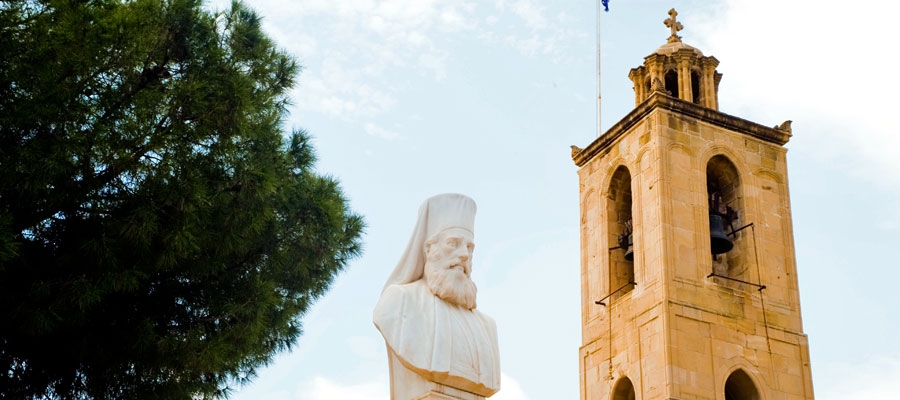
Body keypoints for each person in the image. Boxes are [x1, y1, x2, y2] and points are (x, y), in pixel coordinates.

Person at [373, 194, 500, 399]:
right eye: (453, 243)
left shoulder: (488, 326)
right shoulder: (400, 301)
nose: (464, 255)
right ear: (429, 249)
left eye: (469, 247)